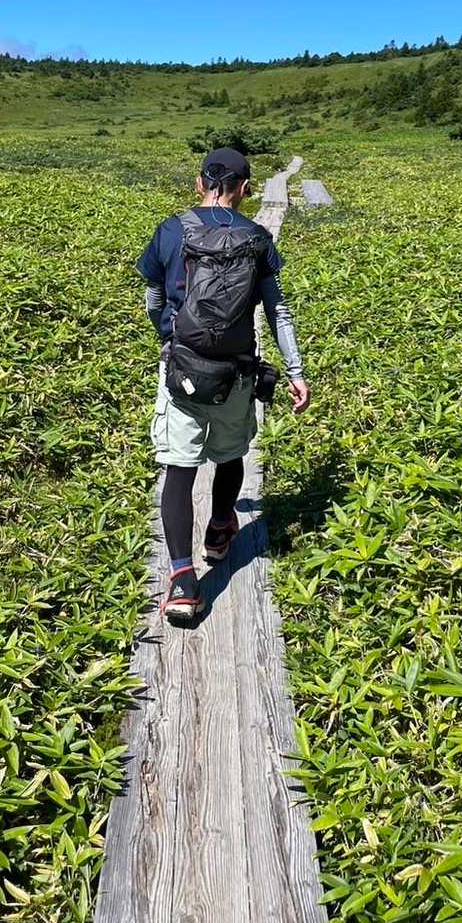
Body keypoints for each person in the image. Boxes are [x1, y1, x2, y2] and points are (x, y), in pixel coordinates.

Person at [136, 147, 310, 622]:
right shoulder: (258, 238)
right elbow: (277, 311)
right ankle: (218, 531)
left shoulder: (172, 229)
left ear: (199, 183)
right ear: (246, 190)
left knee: (179, 467)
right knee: (231, 454)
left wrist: (168, 337)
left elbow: (153, 297)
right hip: (237, 371)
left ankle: (182, 581)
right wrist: (295, 372)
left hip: (182, 369)